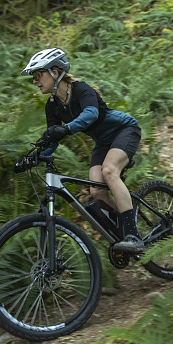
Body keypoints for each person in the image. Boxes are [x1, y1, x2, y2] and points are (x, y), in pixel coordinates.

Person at [21, 47, 145, 253]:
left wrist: (68, 128)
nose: (35, 81)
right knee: (96, 191)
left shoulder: (81, 90)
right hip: (103, 143)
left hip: (124, 130)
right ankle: (129, 224)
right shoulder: (52, 105)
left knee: (109, 171)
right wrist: (36, 156)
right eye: (33, 77)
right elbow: (52, 136)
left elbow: (91, 114)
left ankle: (134, 237)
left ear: (55, 72)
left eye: (38, 75)